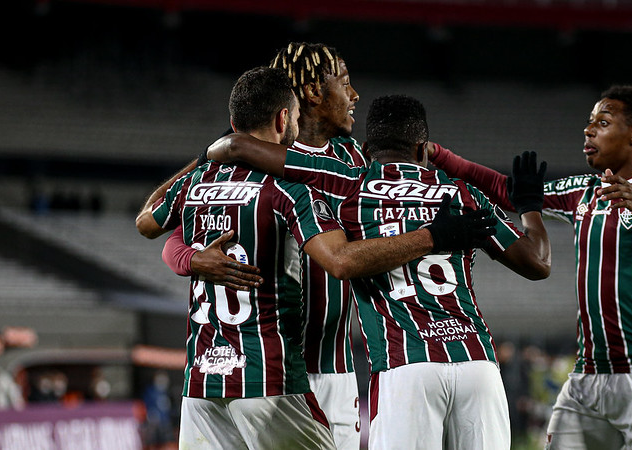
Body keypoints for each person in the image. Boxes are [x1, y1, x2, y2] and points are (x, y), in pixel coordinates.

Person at [135, 68, 495, 449]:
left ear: (231, 123)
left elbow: (147, 221)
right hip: (267, 379)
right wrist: (432, 236)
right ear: (283, 119)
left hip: (201, 381)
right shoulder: (288, 189)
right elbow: (339, 260)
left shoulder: (195, 183)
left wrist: (197, 176)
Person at [206, 93, 552, 449]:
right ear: (423, 150)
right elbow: (537, 263)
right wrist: (530, 207)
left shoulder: (348, 183)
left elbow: (232, 146)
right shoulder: (462, 194)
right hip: (478, 363)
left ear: (368, 149)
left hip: (405, 365)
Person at [424, 85, 632, 449]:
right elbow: (513, 193)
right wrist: (440, 155)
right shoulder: (584, 191)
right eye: (589, 122)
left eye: (602, 123)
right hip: (587, 376)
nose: (588, 130)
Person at [160, 42, 371, 449]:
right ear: (307, 96)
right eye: (345, 83)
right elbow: (172, 237)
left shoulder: (353, 158)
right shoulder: (249, 158)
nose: (354, 95)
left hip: (331, 366)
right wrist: (192, 259)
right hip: (270, 367)